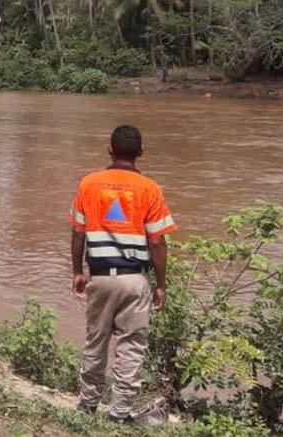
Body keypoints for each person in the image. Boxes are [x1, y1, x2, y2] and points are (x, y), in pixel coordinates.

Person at [68, 124, 175, 422]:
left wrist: (78, 271)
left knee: (95, 340)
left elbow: (78, 234)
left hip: (99, 276)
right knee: (131, 345)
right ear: (140, 153)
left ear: (109, 149)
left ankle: (87, 405)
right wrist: (161, 284)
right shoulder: (150, 189)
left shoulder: (88, 183)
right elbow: (156, 240)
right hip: (134, 278)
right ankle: (120, 412)